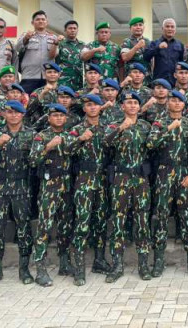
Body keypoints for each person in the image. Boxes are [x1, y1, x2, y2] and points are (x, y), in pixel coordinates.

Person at [0, 100, 36, 287]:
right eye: (9, 112)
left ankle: (24, 268)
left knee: (24, 228)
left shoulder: (31, 135)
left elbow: (36, 162)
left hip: (21, 187)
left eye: (17, 112)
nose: (13, 115)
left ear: (22, 114)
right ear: (4, 114)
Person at [104, 92, 153, 282]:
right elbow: (105, 143)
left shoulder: (146, 126)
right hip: (121, 179)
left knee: (142, 222)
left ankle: (143, 265)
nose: (132, 106)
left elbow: (154, 147)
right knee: (118, 221)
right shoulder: (114, 126)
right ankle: (117, 265)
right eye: (128, 103)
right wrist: (120, 129)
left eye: (135, 103)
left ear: (139, 108)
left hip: (140, 179)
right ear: (122, 107)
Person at [147, 90, 188, 276]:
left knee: (186, 216)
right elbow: (150, 144)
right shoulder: (159, 123)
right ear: (168, 102)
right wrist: (167, 130)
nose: (176, 103)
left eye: (180, 101)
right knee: (161, 216)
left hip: (184, 174)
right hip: (164, 173)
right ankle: (158, 261)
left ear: (184, 105)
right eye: (173, 100)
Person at [29, 104, 77, 286]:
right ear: (49, 118)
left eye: (61, 116)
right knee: (44, 227)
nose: (58, 118)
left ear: (66, 118)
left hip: (66, 185)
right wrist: (47, 147)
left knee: (65, 226)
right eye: (54, 115)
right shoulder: (41, 136)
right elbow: (33, 160)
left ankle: (64, 262)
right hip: (49, 186)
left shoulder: (69, 135)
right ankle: (40, 269)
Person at [70, 94, 112, 284]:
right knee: (82, 223)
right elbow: (66, 151)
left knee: (101, 222)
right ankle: (79, 268)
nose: (93, 108)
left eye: (96, 105)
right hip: (84, 180)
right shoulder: (77, 129)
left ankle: (99, 260)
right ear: (84, 108)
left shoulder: (107, 128)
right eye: (89, 105)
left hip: (102, 179)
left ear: (101, 107)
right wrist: (80, 140)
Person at [15, 10, 58, 93]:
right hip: (29, 76)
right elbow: (17, 48)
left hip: (47, 77)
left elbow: (54, 55)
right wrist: (26, 38)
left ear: (47, 22)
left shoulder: (53, 37)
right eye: (38, 19)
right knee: (27, 102)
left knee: (46, 101)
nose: (41, 21)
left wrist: (55, 44)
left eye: (43, 19)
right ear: (32, 22)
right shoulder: (26, 35)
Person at [144, 18, 185, 83]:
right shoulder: (155, 43)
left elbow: (183, 63)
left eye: (172, 27)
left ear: (175, 30)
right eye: (167, 26)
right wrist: (158, 47)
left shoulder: (180, 44)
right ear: (162, 29)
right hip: (159, 79)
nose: (170, 29)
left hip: (175, 81)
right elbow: (146, 57)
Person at [55, 20, 85, 92]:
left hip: (78, 81)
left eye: (75, 28)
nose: (72, 30)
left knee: (77, 101)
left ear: (77, 30)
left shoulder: (82, 45)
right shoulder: (60, 43)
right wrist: (56, 43)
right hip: (63, 80)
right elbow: (53, 56)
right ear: (65, 30)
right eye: (70, 28)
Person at [120, 17, 151, 81]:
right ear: (130, 28)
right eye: (135, 25)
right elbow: (125, 57)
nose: (138, 27)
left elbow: (152, 60)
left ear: (144, 27)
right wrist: (137, 47)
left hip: (147, 79)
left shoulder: (148, 41)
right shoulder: (127, 41)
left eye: (140, 25)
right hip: (132, 79)